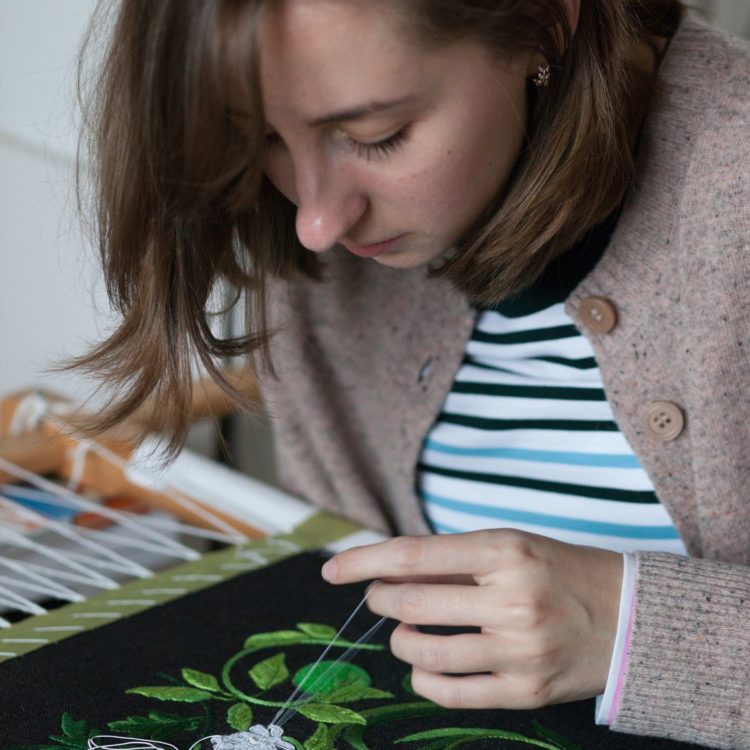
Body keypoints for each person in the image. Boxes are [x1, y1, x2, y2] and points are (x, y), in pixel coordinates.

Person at [76, 0, 750, 746]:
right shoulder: (321, 259)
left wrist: (639, 631)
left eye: (376, 136)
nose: (318, 220)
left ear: (547, 26)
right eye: (262, 138)